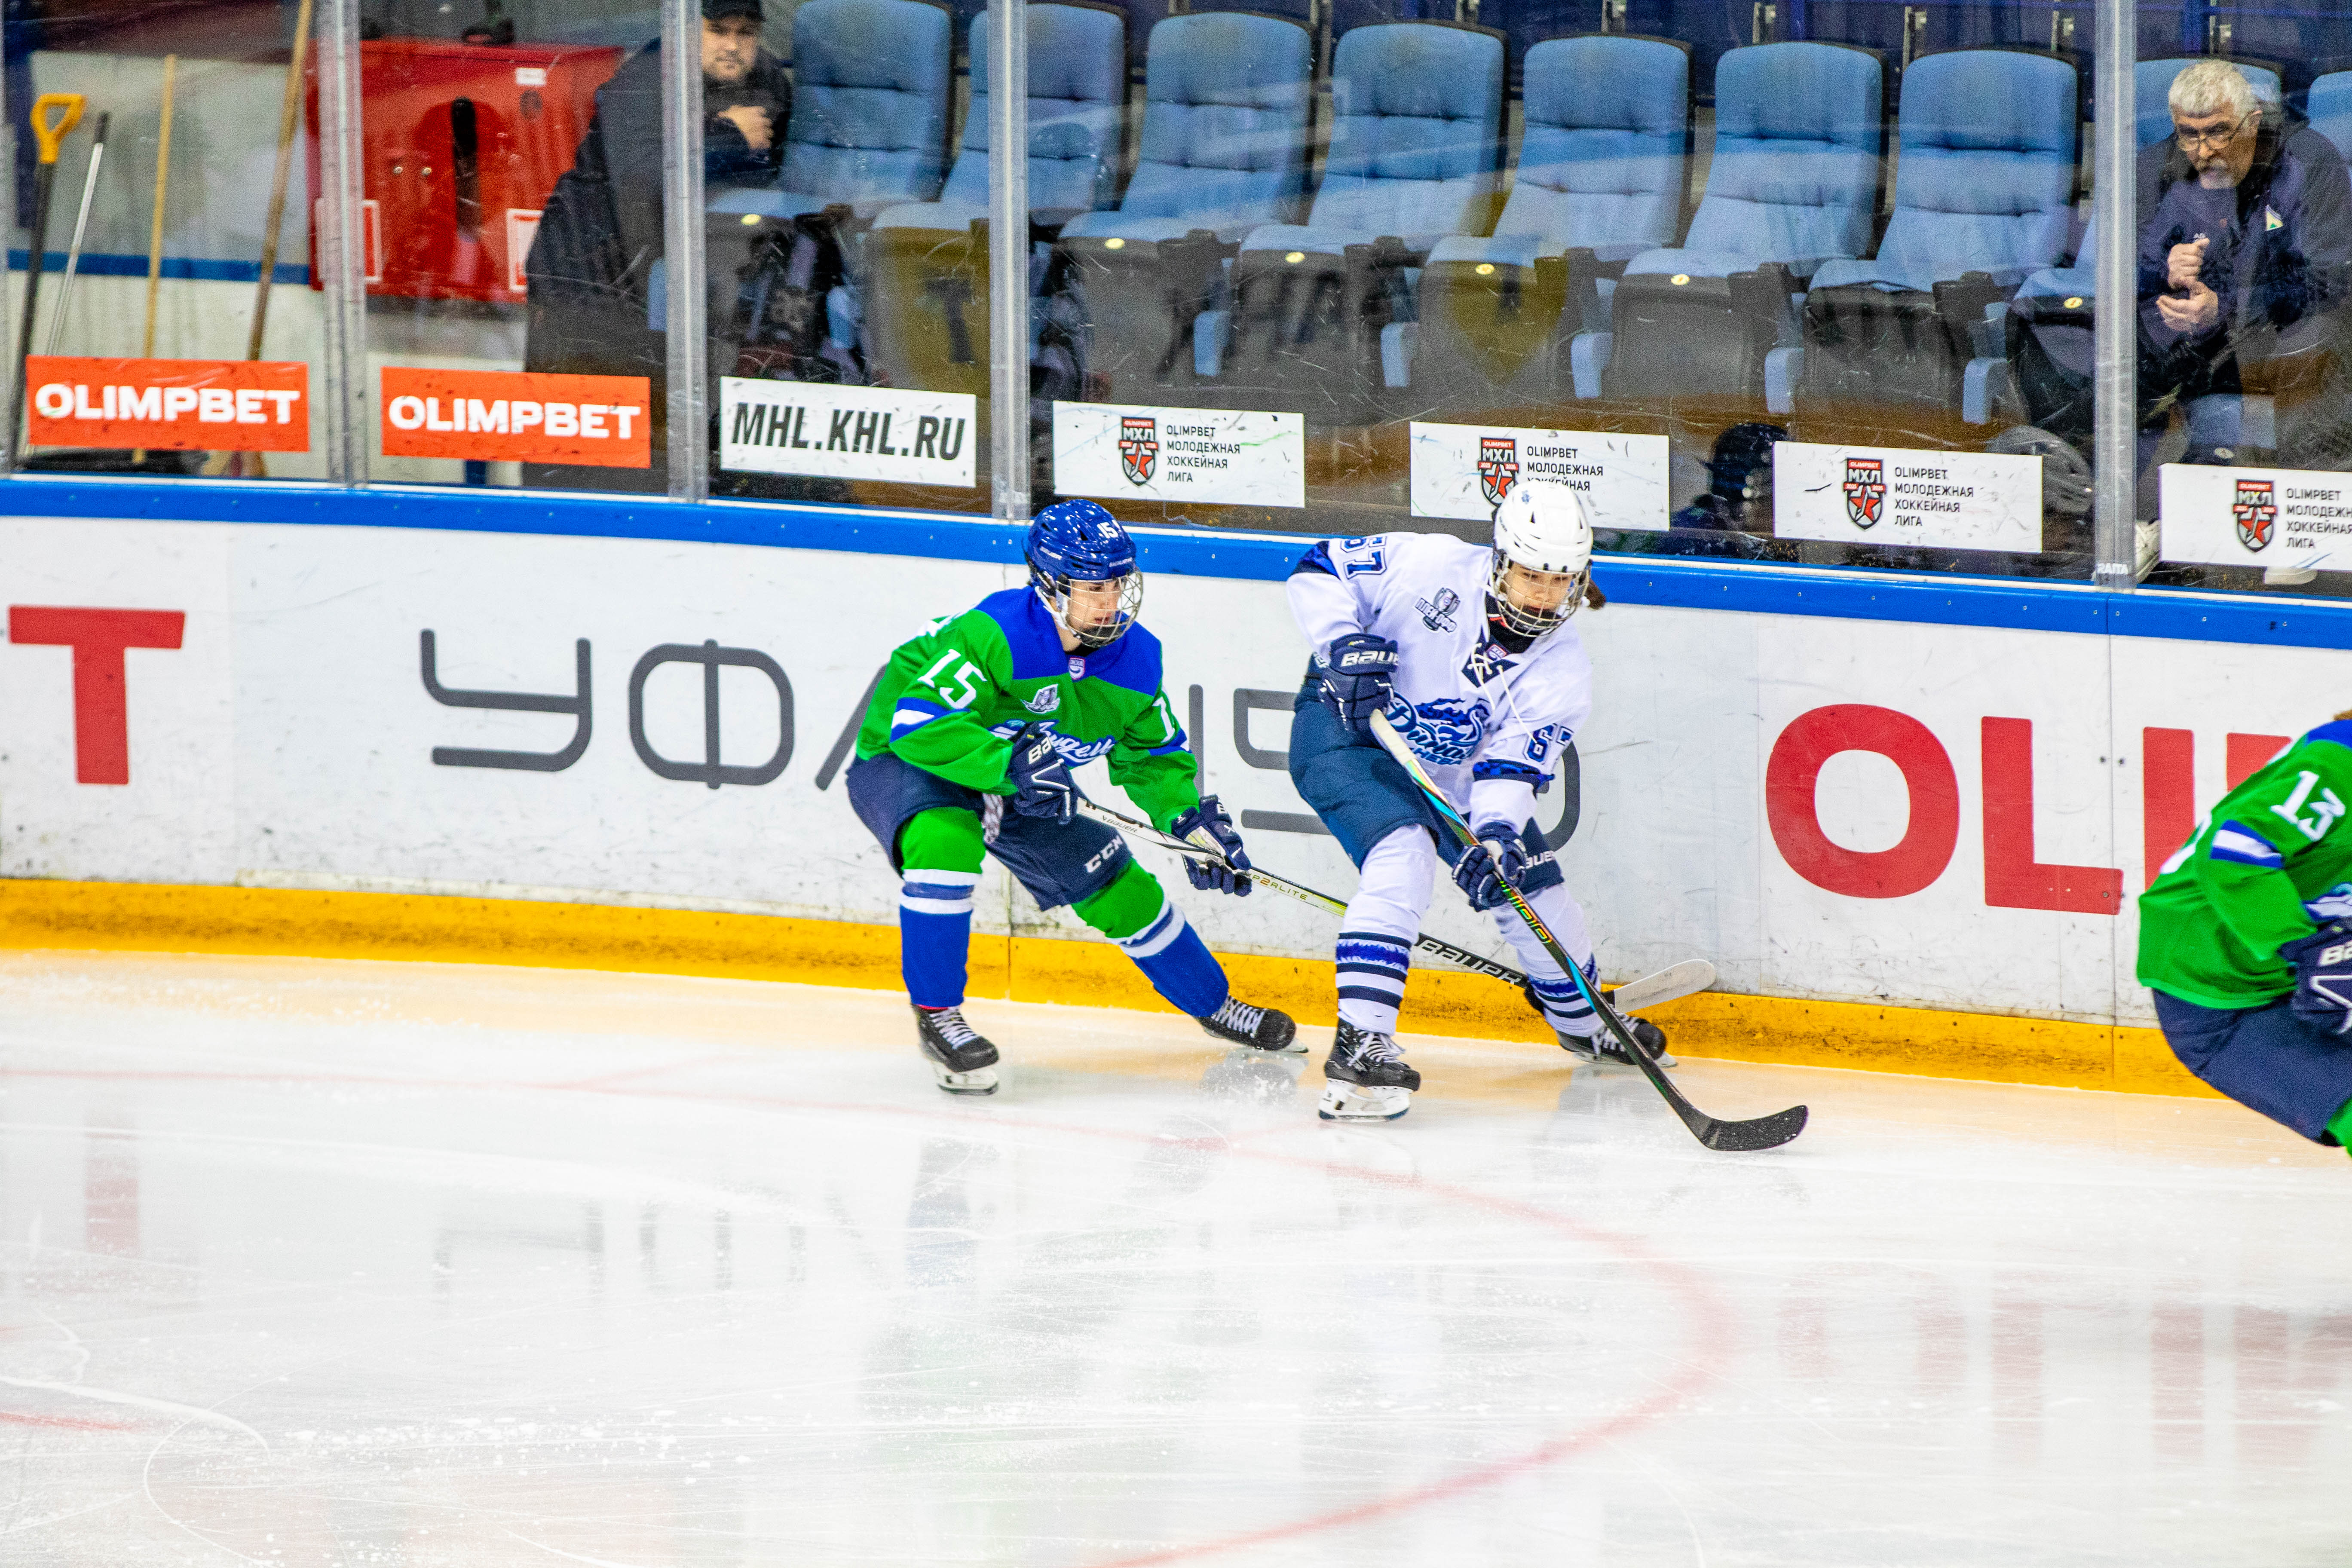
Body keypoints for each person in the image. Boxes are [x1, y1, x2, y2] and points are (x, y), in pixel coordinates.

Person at [845, 500, 1298, 1095]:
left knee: (1116, 881)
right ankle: (939, 1016)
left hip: (1021, 773)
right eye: (1092, 587)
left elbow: (1153, 757)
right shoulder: (998, 633)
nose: (1110, 601)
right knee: (944, 841)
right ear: (1049, 585)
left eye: (1117, 584)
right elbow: (919, 724)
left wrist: (1186, 821)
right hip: (916, 758)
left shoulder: (1137, 660)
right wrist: (1008, 763)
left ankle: (1216, 1005)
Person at [1283, 485, 1671, 1123]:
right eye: (1531, 575)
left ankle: (1583, 1023)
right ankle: (1361, 1043)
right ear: (1499, 560)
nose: (1543, 596)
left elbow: (1509, 770)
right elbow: (1319, 564)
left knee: (1532, 890)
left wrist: (1495, 835)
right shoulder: (1429, 565)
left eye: (1560, 580)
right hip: (1349, 732)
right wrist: (1341, 643)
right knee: (1404, 852)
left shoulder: (1563, 669)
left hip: (1452, 773)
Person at [523, 0, 793, 479]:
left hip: (672, 270)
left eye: (746, 32)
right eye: (718, 30)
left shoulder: (767, 79)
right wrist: (730, 135)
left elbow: (771, 161)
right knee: (579, 432)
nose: (733, 45)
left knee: (659, 429)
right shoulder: (646, 78)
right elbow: (641, 178)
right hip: (585, 269)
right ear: (687, 31)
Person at [2140, 716, 2352, 1153]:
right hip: (2218, 994)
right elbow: (2235, 854)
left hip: (2296, 971)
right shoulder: (2340, 763)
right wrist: (2306, 947)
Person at [2136, 60, 2352, 466]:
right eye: (2189, 134)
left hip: (2275, 331)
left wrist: (2226, 307)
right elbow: (2119, 270)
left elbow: (2325, 283)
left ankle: (2301, 483)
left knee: (2315, 333)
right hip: (2189, 339)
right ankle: (2100, 492)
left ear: (2252, 122)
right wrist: (2163, 270)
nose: (2204, 151)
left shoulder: (2309, 161)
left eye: (2219, 132)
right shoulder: (2155, 167)